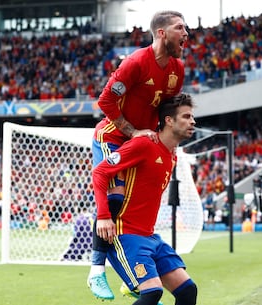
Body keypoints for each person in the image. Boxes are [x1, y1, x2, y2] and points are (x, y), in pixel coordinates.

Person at [88, 10, 189, 300]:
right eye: (180, 28)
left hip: (143, 140)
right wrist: (131, 131)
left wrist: (167, 142)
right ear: (161, 33)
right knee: (114, 199)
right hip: (113, 136)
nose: (186, 34)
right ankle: (96, 271)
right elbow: (105, 100)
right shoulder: (135, 63)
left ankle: (129, 275)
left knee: (133, 206)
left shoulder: (177, 70)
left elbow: (166, 113)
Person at [92, 93, 197, 305]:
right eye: (186, 116)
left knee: (187, 290)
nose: (192, 121)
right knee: (152, 293)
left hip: (150, 237)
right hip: (125, 235)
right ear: (169, 120)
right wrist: (103, 216)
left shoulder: (171, 156)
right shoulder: (143, 145)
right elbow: (100, 172)